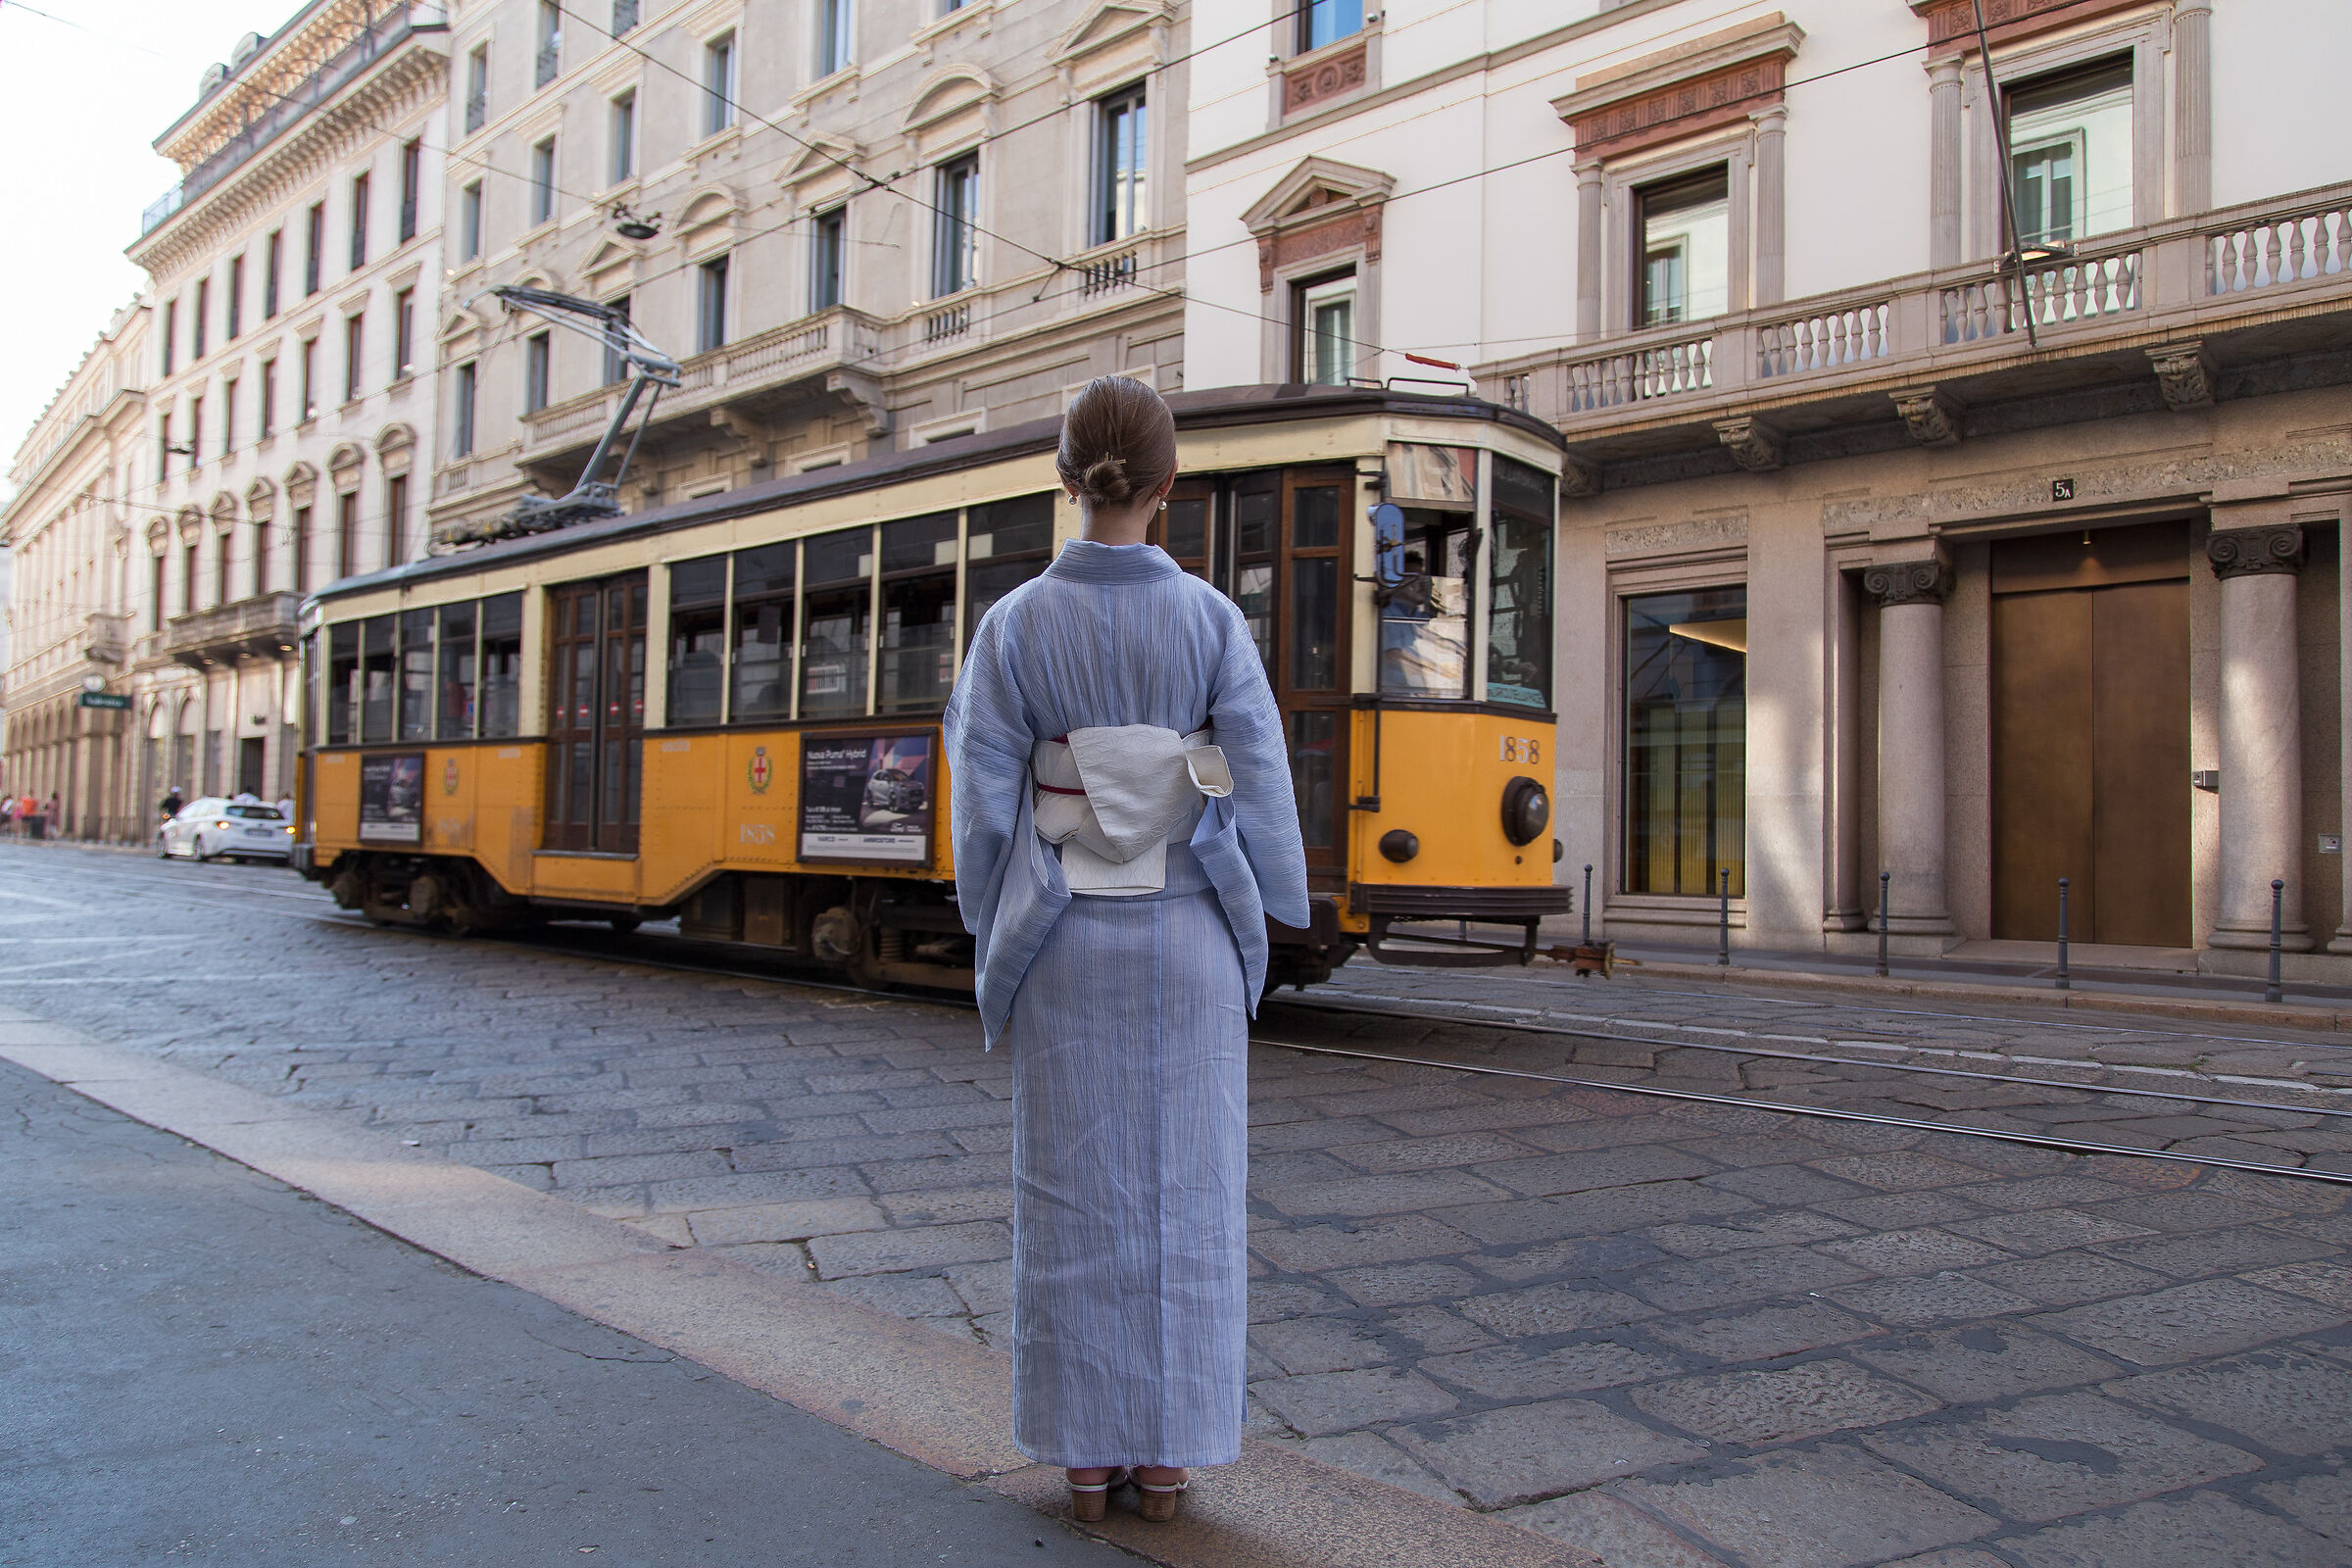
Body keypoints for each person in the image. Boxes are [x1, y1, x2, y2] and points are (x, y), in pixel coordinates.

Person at [944, 377, 1308, 1525]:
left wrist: (985, 917)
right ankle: (1168, 1457)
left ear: (1065, 480)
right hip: (1189, 929)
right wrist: (1274, 901)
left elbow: (988, 810)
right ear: (1169, 487)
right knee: (1189, 1196)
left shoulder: (1014, 626)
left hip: (1064, 936)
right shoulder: (1210, 621)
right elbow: (1255, 778)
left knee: (1072, 1192)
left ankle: (1085, 1456)